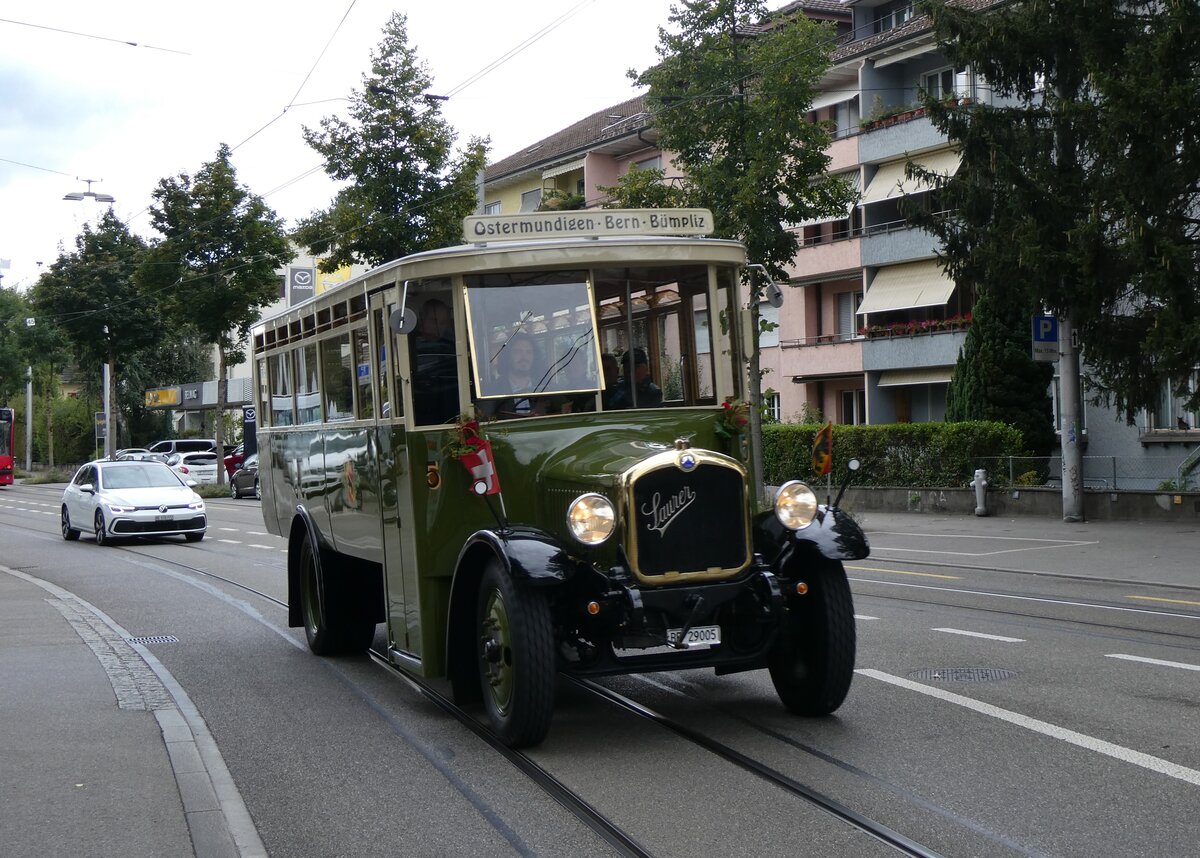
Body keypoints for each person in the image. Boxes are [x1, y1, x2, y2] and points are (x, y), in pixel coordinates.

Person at [411, 297, 458, 424]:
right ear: (422, 320)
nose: (438, 328)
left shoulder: (455, 346)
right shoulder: (411, 346)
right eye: (434, 321)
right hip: (422, 413)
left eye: (443, 323)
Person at [484, 331, 547, 419]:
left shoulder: (544, 388)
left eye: (529, 352)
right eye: (518, 352)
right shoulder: (492, 391)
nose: (524, 357)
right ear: (507, 356)